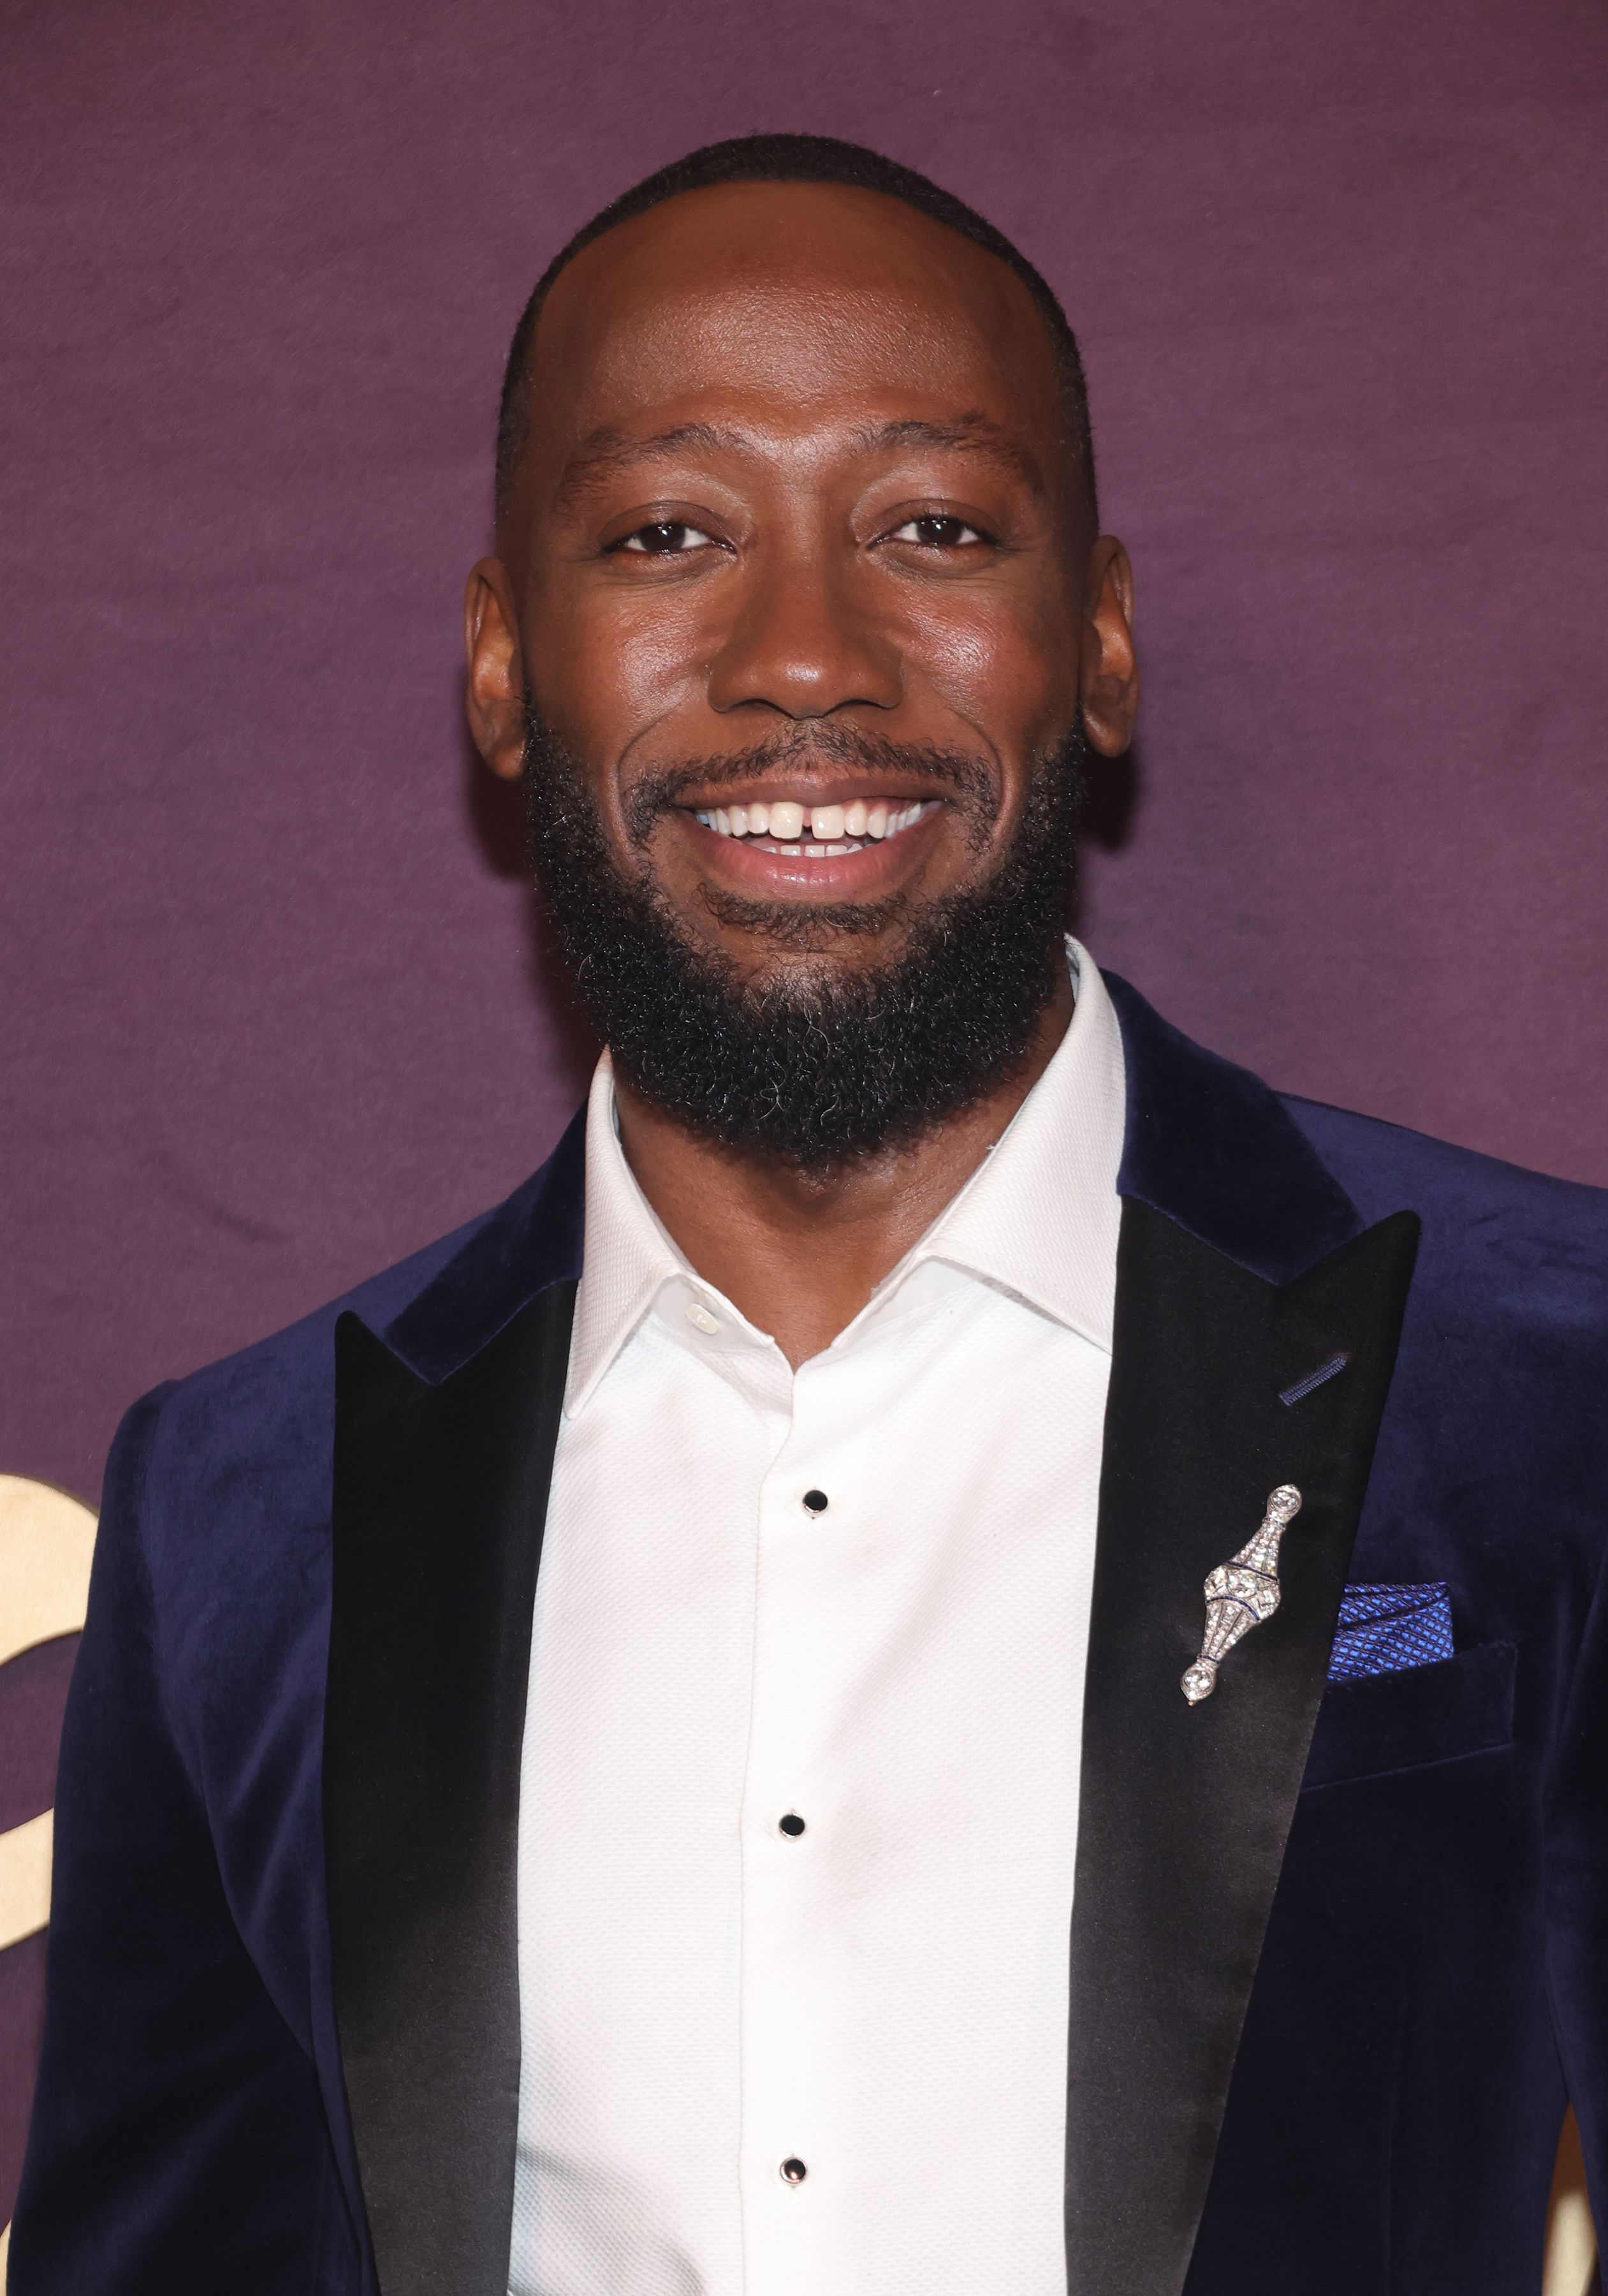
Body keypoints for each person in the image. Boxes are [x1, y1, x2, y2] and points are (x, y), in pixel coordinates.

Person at [12, 132, 1608, 2296]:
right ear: (503, 666)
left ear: (1100, 643)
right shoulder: (238, 1508)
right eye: (667, 531)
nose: (801, 656)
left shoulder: (1546, 1376)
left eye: (931, 527)